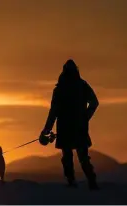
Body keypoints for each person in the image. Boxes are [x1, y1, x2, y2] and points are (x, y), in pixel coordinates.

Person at [41, 59, 99, 190]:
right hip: (79, 127)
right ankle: (91, 181)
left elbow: (53, 112)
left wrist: (47, 129)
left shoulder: (60, 89)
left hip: (66, 128)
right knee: (82, 157)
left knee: (68, 157)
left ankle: (72, 181)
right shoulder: (82, 86)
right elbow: (94, 103)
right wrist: (85, 117)